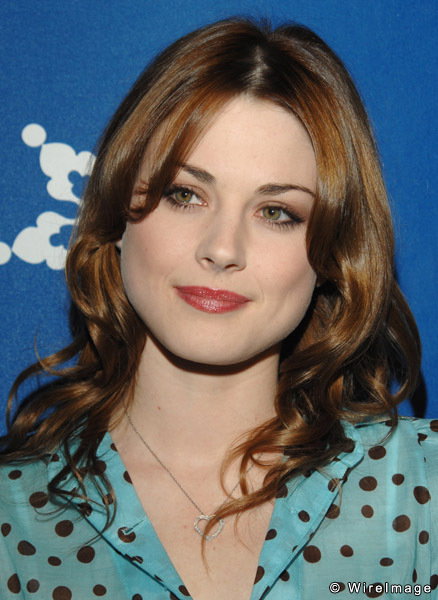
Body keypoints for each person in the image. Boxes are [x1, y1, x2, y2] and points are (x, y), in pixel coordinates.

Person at [0, 17, 436, 600]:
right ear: (117, 214)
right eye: (185, 195)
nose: (223, 249)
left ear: (333, 255)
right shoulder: (11, 513)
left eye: (276, 212)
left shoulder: (423, 489)